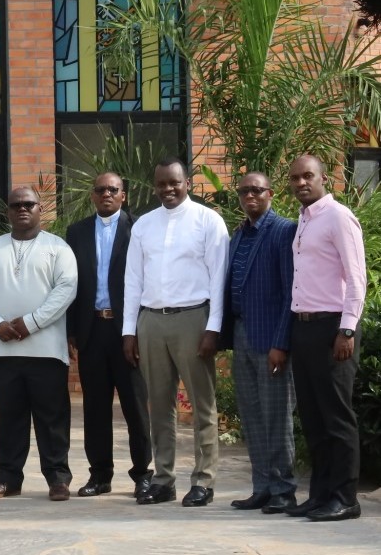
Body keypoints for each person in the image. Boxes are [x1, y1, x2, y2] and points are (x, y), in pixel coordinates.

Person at [122, 158, 229, 507]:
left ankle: (204, 480)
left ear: (188, 182)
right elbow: (133, 280)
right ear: (154, 186)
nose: (168, 189)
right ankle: (164, 479)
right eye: (162, 184)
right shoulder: (144, 226)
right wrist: (129, 331)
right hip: (151, 321)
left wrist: (213, 327)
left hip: (193, 318)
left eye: (175, 183)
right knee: (159, 406)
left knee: (202, 404)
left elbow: (218, 279)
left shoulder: (207, 221)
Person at [0, 187, 77, 501]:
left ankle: (58, 479)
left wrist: (31, 322)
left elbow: (66, 290)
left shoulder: (58, 248)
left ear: (39, 208)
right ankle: (8, 479)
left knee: (52, 418)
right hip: (3, 352)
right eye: (16, 205)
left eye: (28, 204)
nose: (22, 210)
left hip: (46, 351)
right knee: (10, 417)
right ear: (8, 211)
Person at [285, 154, 366, 521]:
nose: (301, 183)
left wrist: (347, 329)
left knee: (336, 417)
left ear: (322, 179)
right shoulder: (304, 220)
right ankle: (320, 494)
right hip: (304, 328)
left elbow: (356, 278)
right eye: (295, 178)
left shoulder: (338, 217)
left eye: (308, 176)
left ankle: (345, 497)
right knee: (313, 417)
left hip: (334, 328)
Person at [65, 172, 150, 499]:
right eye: (100, 190)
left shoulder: (139, 229)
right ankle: (100, 475)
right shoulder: (77, 232)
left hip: (127, 331)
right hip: (91, 330)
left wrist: (138, 330)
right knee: (95, 408)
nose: (106, 195)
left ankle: (143, 474)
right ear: (93, 195)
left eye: (112, 190)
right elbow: (71, 284)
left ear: (123, 195)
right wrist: (72, 329)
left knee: (135, 407)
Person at [221, 172, 298, 513]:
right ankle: (262, 487)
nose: (249, 195)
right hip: (241, 334)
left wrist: (281, 342)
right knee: (251, 416)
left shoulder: (283, 231)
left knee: (276, 417)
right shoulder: (238, 234)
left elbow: (290, 292)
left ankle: (283, 490)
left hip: (270, 339)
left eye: (256, 190)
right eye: (244, 191)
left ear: (270, 193)